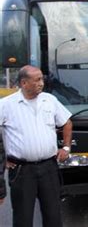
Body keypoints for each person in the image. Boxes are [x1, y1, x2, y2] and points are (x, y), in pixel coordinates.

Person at [0, 65, 72, 227]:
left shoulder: (49, 100)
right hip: (21, 171)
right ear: (24, 83)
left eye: (42, 79)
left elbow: (66, 122)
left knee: (53, 214)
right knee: (23, 217)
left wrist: (66, 147)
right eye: (37, 79)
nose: (42, 83)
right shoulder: (6, 105)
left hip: (49, 168)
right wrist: (3, 159)